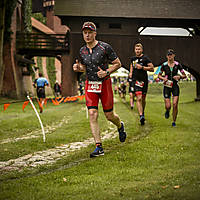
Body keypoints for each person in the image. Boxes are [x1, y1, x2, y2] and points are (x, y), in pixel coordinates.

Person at [73, 21, 126, 158]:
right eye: (85, 33)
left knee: (109, 116)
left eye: (90, 32)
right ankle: (98, 146)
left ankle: (120, 126)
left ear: (95, 33)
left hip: (105, 84)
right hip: (90, 84)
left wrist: (107, 72)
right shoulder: (82, 51)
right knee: (92, 114)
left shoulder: (104, 47)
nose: (87, 35)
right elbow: (86, 67)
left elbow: (118, 63)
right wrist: (79, 69)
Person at [158, 49, 186, 127]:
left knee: (175, 104)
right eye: (168, 55)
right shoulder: (164, 65)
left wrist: (179, 76)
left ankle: (174, 122)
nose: (170, 56)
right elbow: (159, 75)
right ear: (166, 56)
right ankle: (167, 110)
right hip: (167, 86)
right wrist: (163, 79)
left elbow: (184, 75)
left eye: (171, 55)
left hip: (175, 86)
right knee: (168, 106)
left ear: (174, 55)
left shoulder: (178, 64)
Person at [129, 43, 154, 125]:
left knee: (143, 99)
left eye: (139, 49)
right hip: (136, 80)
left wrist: (142, 67)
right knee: (138, 98)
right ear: (134, 50)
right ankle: (141, 116)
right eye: (136, 49)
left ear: (142, 50)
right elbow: (132, 66)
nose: (137, 51)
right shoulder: (133, 58)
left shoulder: (145, 58)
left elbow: (152, 68)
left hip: (144, 81)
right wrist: (131, 72)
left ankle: (142, 112)